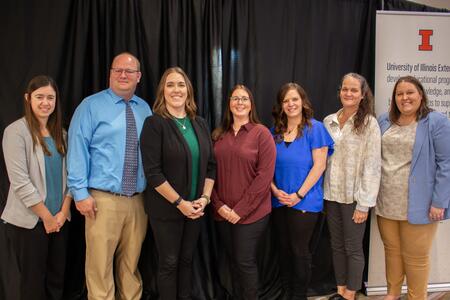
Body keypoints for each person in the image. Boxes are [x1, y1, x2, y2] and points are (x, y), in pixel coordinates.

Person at [67, 52, 151, 300]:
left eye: (129, 71)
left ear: (139, 76)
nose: (123, 75)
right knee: (99, 267)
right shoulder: (90, 106)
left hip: (138, 201)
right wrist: (80, 194)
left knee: (131, 266)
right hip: (102, 200)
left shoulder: (145, 109)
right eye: (118, 70)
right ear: (110, 74)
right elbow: (77, 149)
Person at [140, 67, 216, 300]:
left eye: (181, 85)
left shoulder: (200, 123)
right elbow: (153, 173)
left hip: (196, 208)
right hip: (167, 209)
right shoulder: (154, 124)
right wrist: (180, 203)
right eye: (170, 85)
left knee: (186, 260)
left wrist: (204, 199)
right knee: (170, 263)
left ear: (188, 90)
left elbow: (211, 166)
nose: (176, 90)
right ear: (163, 90)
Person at [376, 76, 450, 300]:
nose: (404, 97)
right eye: (400, 93)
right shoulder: (384, 121)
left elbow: (446, 163)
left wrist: (439, 201)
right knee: (392, 252)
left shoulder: (435, 121)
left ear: (421, 95)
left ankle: (416, 297)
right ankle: (392, 294)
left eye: (410, 92)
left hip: (421, 203)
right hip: (386, 202)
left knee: (415, 258)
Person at [1, 75, 72, 300]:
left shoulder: (61, 134)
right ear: (27, 98)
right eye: (39, 97)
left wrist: (62, 213)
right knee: (32, 284)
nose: (45, 102)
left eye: (50, 97)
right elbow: (20, 182)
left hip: (59, 220)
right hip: (30, 223)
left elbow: (73, 177)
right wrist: (47, 217)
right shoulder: (16, 132)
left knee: (56, 280)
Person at [211, 84, 276, 300]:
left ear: (251, 105)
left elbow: (264, 177)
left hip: (252, 214)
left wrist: (239, 210)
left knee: (244, 261)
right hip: (222, 212)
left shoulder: (261, 134)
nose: (240, 102)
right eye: (235, 98)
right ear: (229, 103)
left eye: (244, 99)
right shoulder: (219, 135)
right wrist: (219, 205)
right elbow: (210, 173)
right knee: (230, 260)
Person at [271, 83, 334, 300]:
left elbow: (320, 166)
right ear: (281, 105)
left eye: (294, 99)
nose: (290, 104)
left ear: (303, 101)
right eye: (286, 100)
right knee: (284, 249)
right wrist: (275, 191)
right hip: (279, 200)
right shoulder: (275, 132)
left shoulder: (315, 129)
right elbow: (265, 168)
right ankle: (286, 293)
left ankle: (299, 296)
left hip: (305, 200)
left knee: (299, 251)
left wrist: (298, 195)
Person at [323, 73, 381, 300]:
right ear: (340, 91)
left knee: (353, 248)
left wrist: (364, 204)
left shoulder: (369, 123)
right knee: (337, 246)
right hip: (331, 194)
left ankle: (350, 294)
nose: (348, 93)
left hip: (355, 198)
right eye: (345, 89)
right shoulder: (329, 121)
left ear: (362, 95)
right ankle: (339, 290)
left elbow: (373, 165)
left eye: (354, 90)